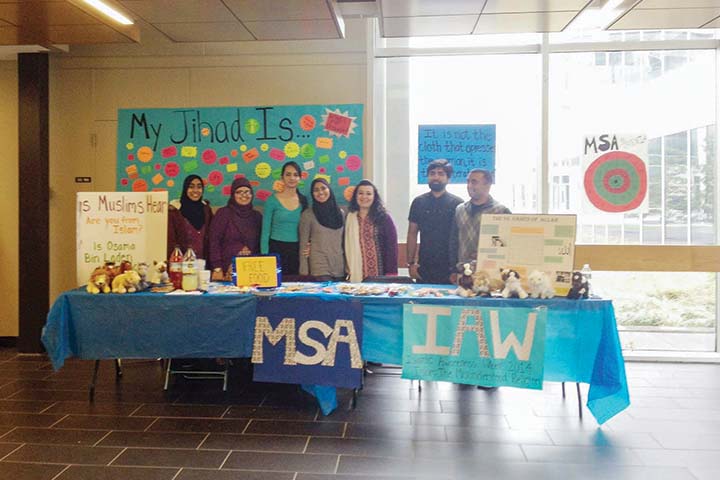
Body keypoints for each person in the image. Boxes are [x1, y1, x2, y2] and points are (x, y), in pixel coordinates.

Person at [406, 159, 463, 284]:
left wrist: (458, 268)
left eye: (441, 174)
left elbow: (461, 237)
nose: (436, 177)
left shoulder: (458, 204)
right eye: (432, 173)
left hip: (450, 267)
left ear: (448, 179)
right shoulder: (418, 202)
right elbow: (412, 233)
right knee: (422, 302)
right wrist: (410, 263)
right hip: (424, 265)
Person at [449, 169, 511, 280]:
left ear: (487, 185)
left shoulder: (501, 211)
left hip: (491, 274)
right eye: (468, 182)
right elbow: (453, 241)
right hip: (463, 273)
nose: (469, 185)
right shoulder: (460, 209)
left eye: (474, 182)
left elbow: (507, 243)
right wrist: (453, 269)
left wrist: (485, 253)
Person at [208, 177, 263, 281]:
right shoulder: (223, 214)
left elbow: (260, 244)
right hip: (226, 270)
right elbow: (214, 242)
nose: (244, 195)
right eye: (239, 192)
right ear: (233, 195)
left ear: (252, 194)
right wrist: (217, 268)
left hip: (252, 270)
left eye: (247, 192)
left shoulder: (257, 217)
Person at [345, 179, 398, 282]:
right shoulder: (350, 217)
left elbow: (392, 246)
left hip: (379, 272)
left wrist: (391, 273)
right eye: (360, 193)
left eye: (368, 194)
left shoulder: (384, 218)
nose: (364, 197)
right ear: (355, 196)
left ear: (374, 197)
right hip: (355, 272)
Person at [260, 161, 307, 275]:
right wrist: (265, 256)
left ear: (300, 178)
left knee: (294, 286)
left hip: (296, 250)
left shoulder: (304, 201)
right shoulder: (271, 200)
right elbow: (265, 232)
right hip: (275, 248)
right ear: (282, 177)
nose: (292, 178)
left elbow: (307, 229)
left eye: (295, 175)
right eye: (288, 174)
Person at [299, 178, 346, 281]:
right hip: (319, 266)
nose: (320, 192)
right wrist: (304, 271)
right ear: (312, 194)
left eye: (323, 188)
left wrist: (348, 267)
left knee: (338, 297)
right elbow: (303, 243)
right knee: (325, 296)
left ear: (329, 189)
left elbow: (344, 242)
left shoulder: (340, 213)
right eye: (316, 190)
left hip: (339, 265)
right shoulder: (308, 214)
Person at [167, 174, 213, 259]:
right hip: (182, 265)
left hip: (205, 265)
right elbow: (171, 242)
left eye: (199, 187)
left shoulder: (206, 210)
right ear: (185, 189)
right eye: (191, 187)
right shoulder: (175, 212)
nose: (195, 190)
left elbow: (213, 237)